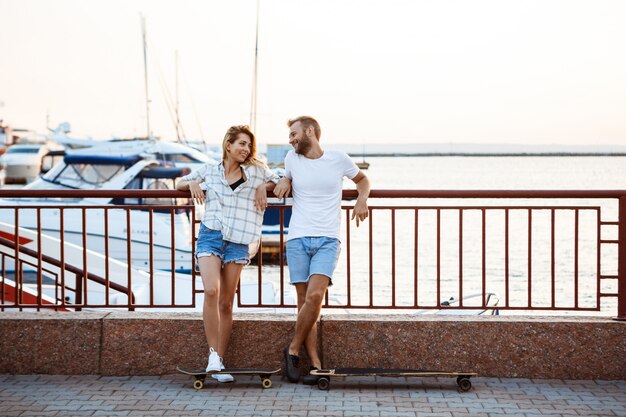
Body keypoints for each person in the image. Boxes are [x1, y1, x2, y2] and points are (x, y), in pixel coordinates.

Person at [177, 125, 281, 383]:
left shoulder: (257, 171)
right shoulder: (210, 170)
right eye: (241, 144)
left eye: (248, 145)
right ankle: (213, 356)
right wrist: (191, 184)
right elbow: (180, 182)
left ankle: (218, 362)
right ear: (228, 145)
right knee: (211, 290)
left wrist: (263, 186)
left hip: (239, 240)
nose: (245, 149)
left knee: (226, 301)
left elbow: (281, 176)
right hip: (211, 234)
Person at [273, 116, 370, 384]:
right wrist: (284, 181)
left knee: (315, 296)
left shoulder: (338, 158)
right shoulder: (292, 160)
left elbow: (363, 181)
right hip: (298, 238)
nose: (290, 140)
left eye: (293, 134)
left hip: (328, 239)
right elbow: (285, 179)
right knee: (306, 303)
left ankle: (292, 348)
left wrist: (361, 201)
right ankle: (315, 364)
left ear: (310, 131)